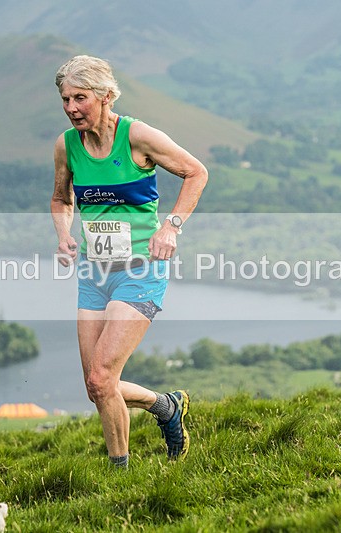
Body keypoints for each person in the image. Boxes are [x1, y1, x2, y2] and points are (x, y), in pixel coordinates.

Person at [51, 55, 208, 466]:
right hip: (93, 274)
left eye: (79, 98)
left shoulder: (137, 136)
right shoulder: (67, 145)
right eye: (65, 99)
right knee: (97, 385)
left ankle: (119, 476)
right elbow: (61, 198)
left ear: (105, 96)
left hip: (141, 271)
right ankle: (166, 406)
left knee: (103, 377)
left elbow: (196, 172)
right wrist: (64, 234)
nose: (70, 108)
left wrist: (171, 226)